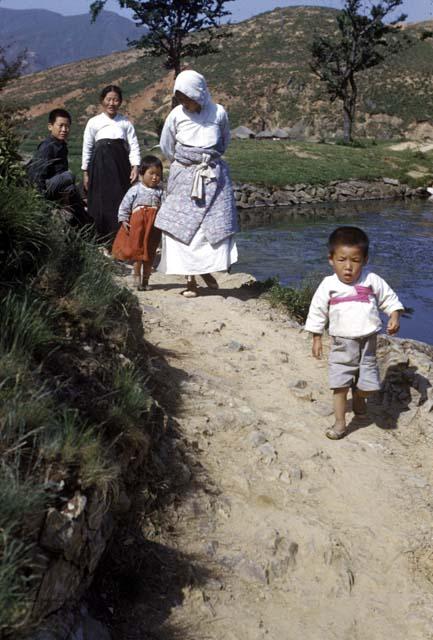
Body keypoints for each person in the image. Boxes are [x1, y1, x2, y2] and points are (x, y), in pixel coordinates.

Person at [304, 226, 404, 440]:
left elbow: (388, 298)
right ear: (331, 259)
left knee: (369, 386)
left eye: (355, 260)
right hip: (342, 343)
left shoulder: (371, 280)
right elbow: (317, 310)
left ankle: (359, 397)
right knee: (339, 385)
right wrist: (316, 337)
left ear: (365, 259)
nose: (348, 267)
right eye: (342, 260)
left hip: (368, 343)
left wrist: (394, 316)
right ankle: (340, 424)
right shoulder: (328, 285)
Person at [155, 69, 238, 298]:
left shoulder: (218, 112)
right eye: (180, 97)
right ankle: (190, 280)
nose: (184, 102)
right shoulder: (176, 115)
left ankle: (206, 270)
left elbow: (224, 141)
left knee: (209, 227)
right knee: (182, 228)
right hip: (185, 176)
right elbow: (166, 145)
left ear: (198, 93)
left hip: (212, 175)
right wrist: (185, 165)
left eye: (187, 97)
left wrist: (207, 160)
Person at [81, 84, 141, 240]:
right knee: (99, 201)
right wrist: (85, 172)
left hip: (120, 167)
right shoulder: (93, 122)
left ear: (120, 102)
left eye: (115, 100)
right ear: (102, 101)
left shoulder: (125, 122)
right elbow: (87, 147)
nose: (112, 103)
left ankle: (120, 239)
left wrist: (135, 166)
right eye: (108, 99)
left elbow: (133, 146)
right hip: (99, 167)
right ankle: (100, 239)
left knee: (120, 200)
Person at [27, 108, 88, 225]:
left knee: (73, 190)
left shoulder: (62, 145)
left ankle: (83, 221)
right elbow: (36, 175)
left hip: (57, 185)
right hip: (45, 187)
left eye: (67, 126)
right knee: (69, 175)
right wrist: (40, 201)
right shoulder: (47, 146)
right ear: (50, 126)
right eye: (61, 126)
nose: (64, 130)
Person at [112, 155, 163, 291]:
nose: (154, 177)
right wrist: (123, 219)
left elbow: (165, 207)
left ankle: (146, 280)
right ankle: (136, 277)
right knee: (138, 252)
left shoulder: (161, 192)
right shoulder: (135, 189)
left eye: (158, 174)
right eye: (151, 173)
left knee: (150, 252)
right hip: (138, 226)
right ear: (141, 173)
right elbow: (125, 205)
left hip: (153, 227)